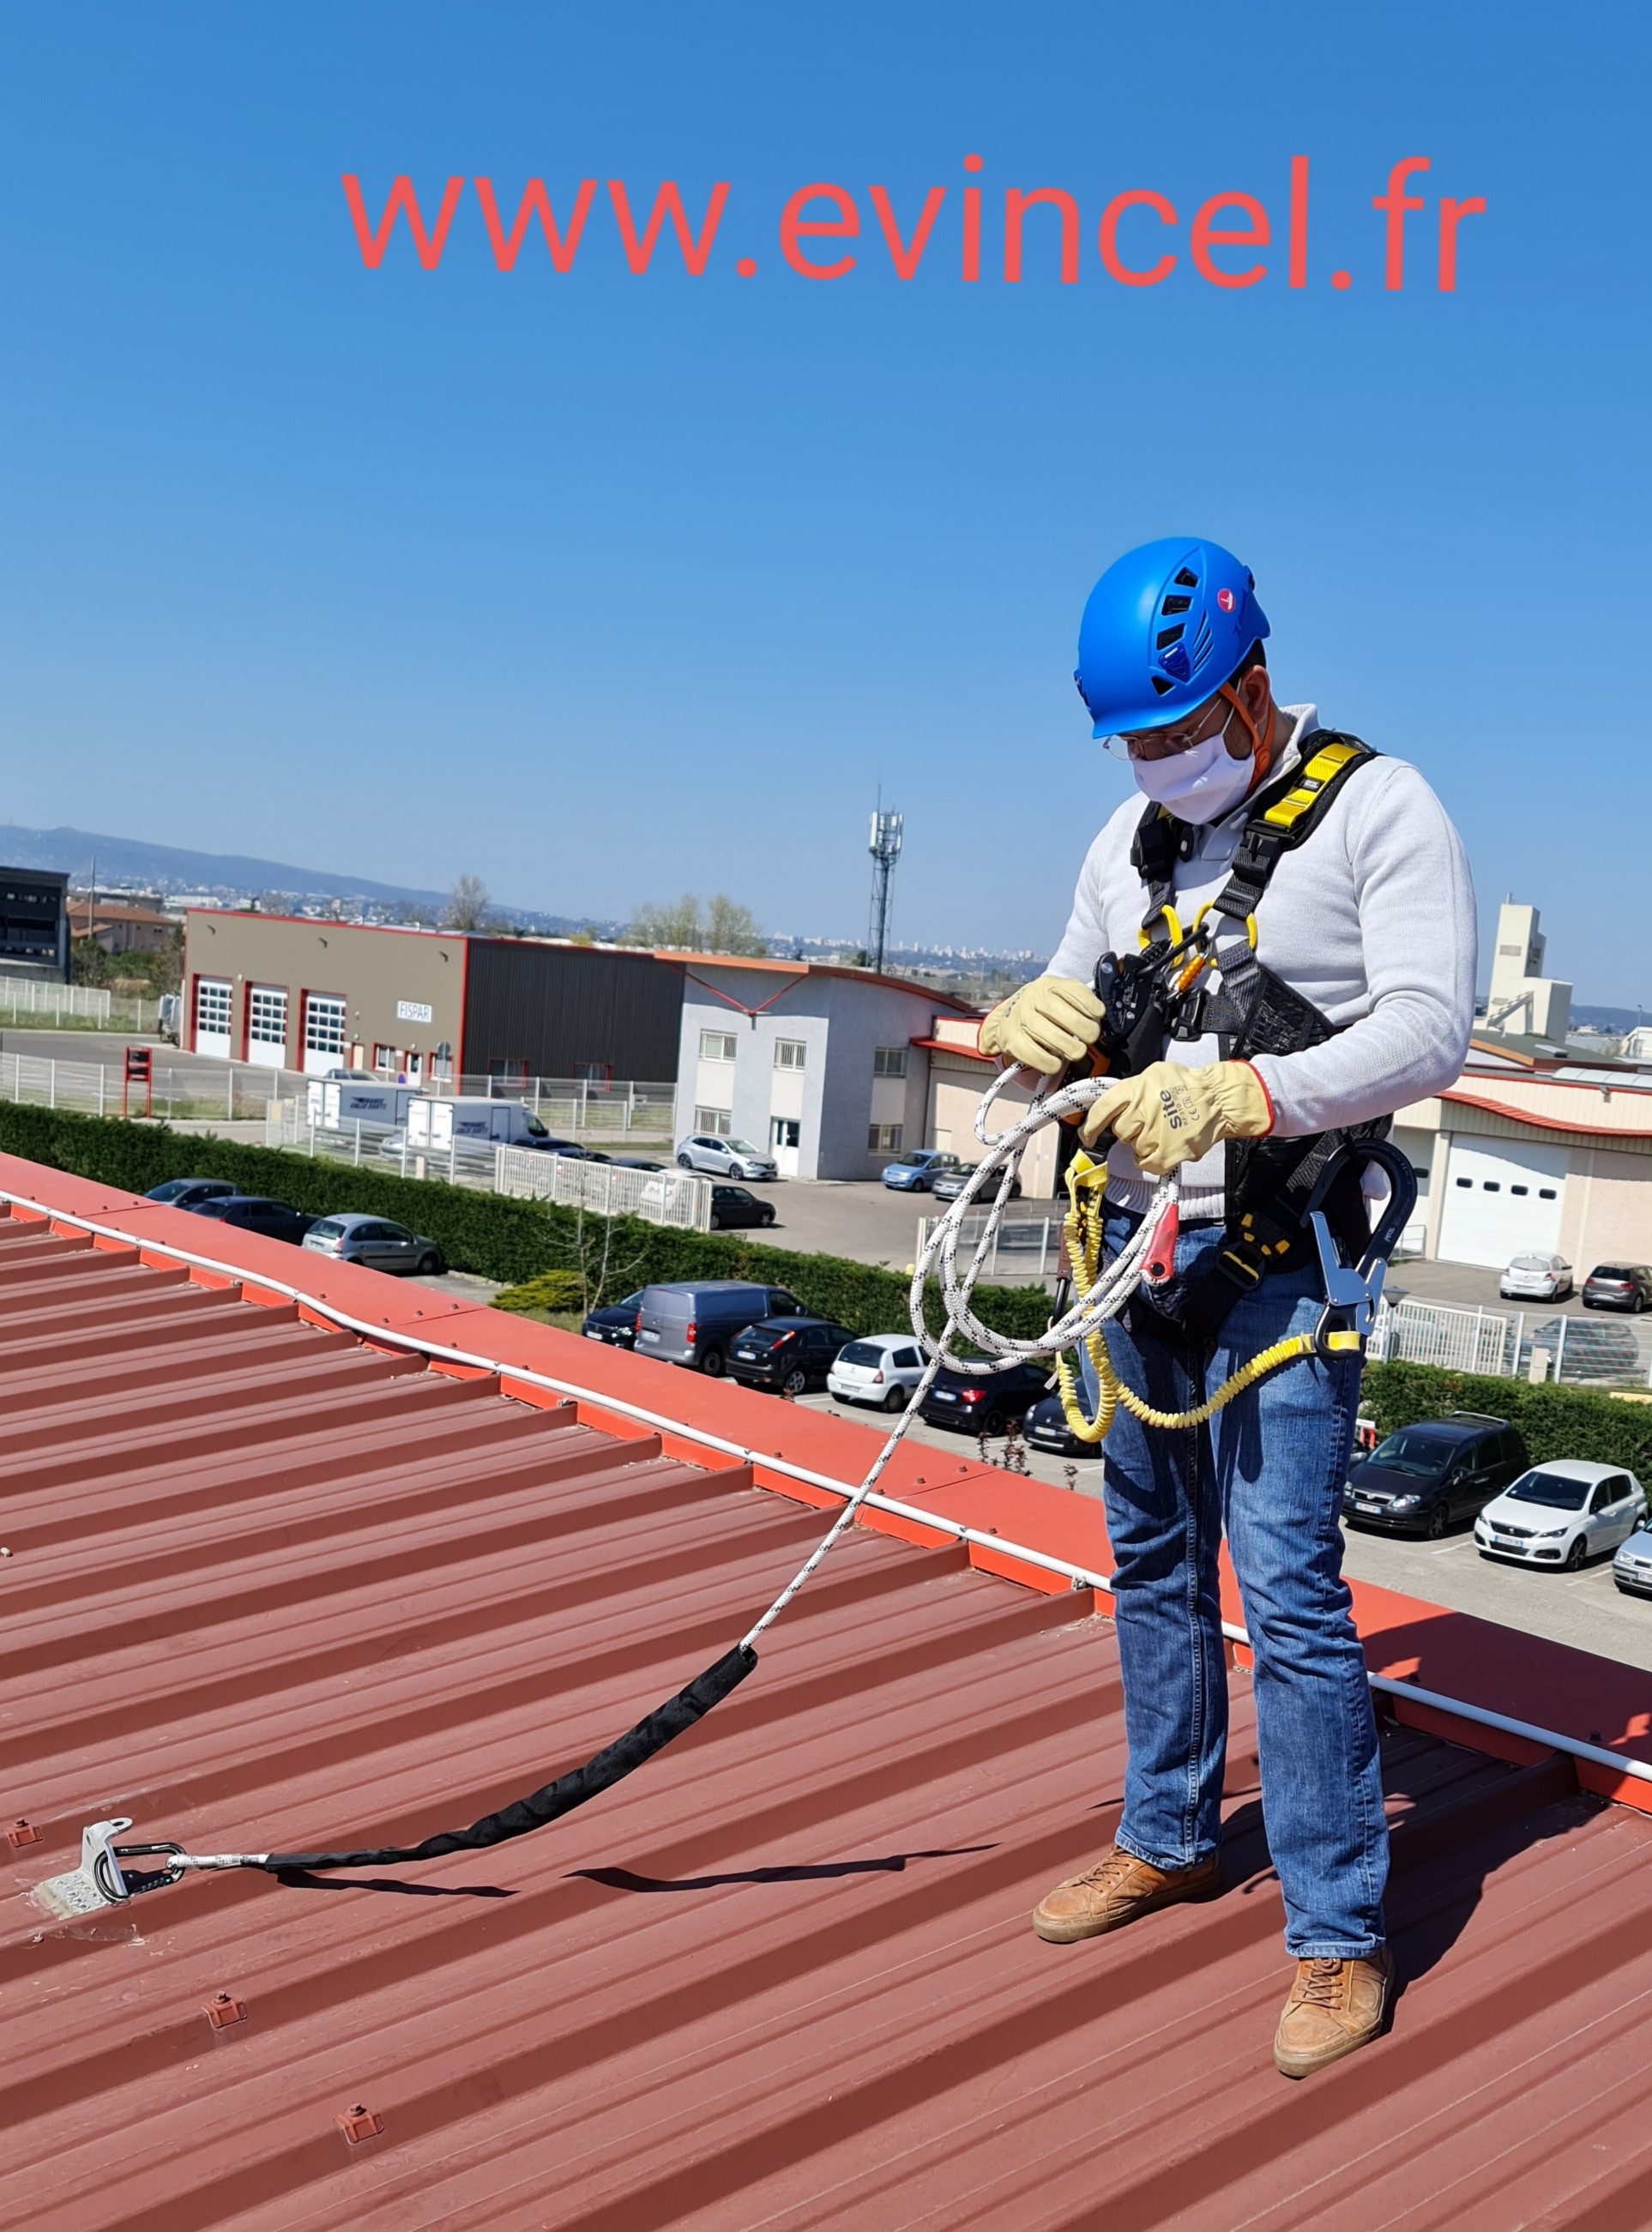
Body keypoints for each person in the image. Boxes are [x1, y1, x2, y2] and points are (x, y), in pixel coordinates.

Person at [980, 537, 1475, 2079]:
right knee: (1145, 1557)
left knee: (1289, 1587)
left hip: (1282, 1266)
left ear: (1249, 691)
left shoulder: (1378, 812)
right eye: (1132, 742)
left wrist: (1246, 1088)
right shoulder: (1126, 842)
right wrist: (1023, 1024)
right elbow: (1075, 1011)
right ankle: (1169, 1831)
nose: (1153, 764)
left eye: (1174, 732)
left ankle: (1337, 1934)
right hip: (1137, 1261)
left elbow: (1426, 1029)